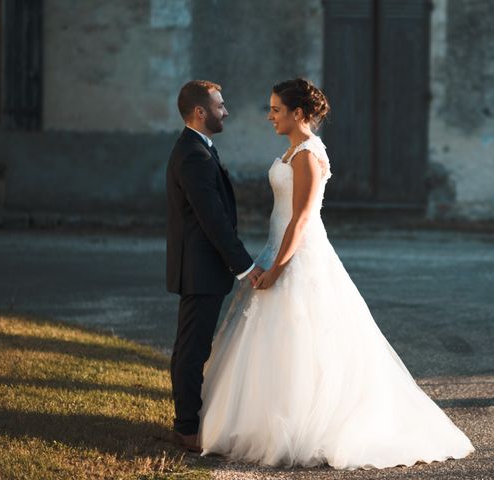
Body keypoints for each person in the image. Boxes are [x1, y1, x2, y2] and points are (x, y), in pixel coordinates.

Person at [197, 78, 475, 469]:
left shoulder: (309, 154)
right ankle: (263, 423)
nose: (270, 115)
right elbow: (281, 220)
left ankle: (307, 429)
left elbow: (303, 218)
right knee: (274, 342)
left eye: (276, 109)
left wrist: (277, 270)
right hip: (278, 250)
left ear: (297, 113)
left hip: (300, 256)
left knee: (306, 339)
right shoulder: (292, 150)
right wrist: (264, 258)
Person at [165, 80, 264, 451]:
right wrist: (243, 265)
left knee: (191, 346)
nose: (226, 111)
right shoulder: (193, 154)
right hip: (200, 269)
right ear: (200, 112)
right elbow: (213, 219)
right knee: (192, 350)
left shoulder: (200, 148)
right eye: (220, 106)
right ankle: (186, 428)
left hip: (202, 268)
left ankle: (187, 421)